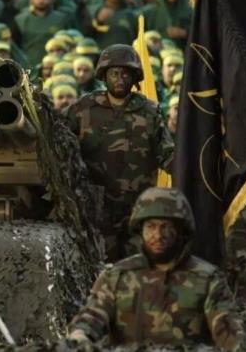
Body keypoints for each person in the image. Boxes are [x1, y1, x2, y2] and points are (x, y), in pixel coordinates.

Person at [67, 188, 243, 351]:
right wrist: (79, 337)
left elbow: (227, 329)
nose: (158, 235)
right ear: (140, 230)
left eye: (166, 226)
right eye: (151, 226)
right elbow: (92, 317)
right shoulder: (117, 277)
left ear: (181, 230)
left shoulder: (208, 279)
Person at [65, 44, 174, 262]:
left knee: (138, 268)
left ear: (135, 78)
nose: (120, 79)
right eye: (114, 73)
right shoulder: (82, 109)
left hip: (138, 209)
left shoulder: (150, 111)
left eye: (126, 74)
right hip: (96, 209)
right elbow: (62, 153)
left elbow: (168, 155)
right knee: (99, 270)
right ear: (104, 76)